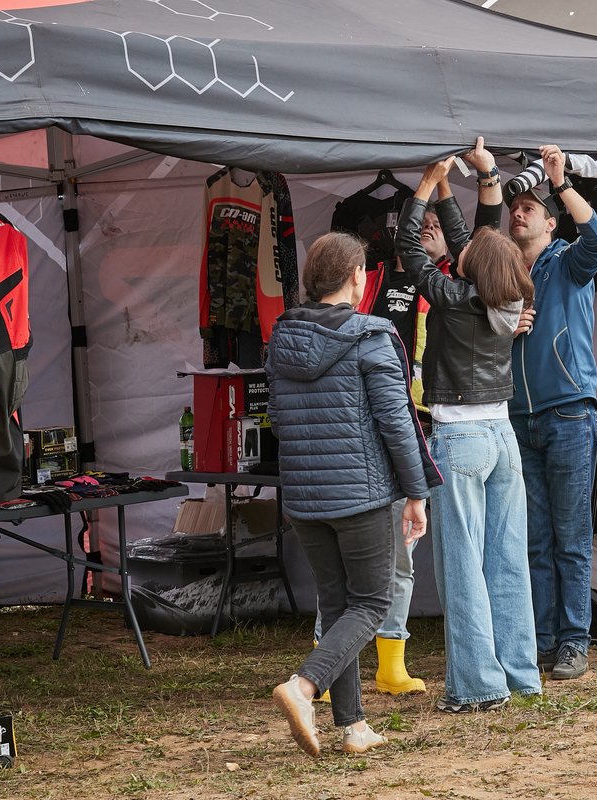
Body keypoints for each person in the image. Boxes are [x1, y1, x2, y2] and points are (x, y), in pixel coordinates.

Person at [267, 232, 440, 757]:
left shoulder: (282, 336)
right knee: (371, 603)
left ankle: (354, 726)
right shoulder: (372, 335)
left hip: (303, 497)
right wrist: (416, 492)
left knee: (338, 603)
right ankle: (303, 687)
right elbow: (398, 422)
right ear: (357, 277)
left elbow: (276, 418)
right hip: (359, 495)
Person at [395, 154, 541, 713]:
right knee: (508, 560)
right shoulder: (504, 294)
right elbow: (471, 244)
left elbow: (411, 251)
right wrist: (452, 190)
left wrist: (424, 188)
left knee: (463, 566)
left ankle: (478, 686)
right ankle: (520, 673)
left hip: (460, 439)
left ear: (470, 267)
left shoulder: (454, 298)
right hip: (502, 436)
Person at [466, 138, 597, 681]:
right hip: (517, 419)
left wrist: (561, 182)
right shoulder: (500, 275)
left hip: (569, 412)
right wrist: (504, 332)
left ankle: (574, 641)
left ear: (550, 223)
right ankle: (542, 639)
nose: (517, 214)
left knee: (570, 537)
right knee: (533, 539)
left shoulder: (568, 262)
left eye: (528, 208)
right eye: (514, 209)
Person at [311, 206, 452, 697]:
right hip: (363, 439)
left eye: (437, 224)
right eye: (419, 222)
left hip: (420, 425)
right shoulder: (366, 284)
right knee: (342, 564)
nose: (427, 228)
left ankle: (391, 665)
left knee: (400, 557)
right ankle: (326, 665)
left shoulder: (448, 286)